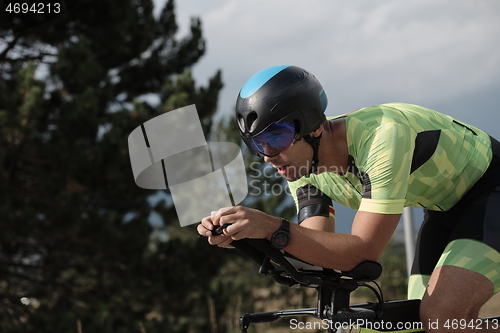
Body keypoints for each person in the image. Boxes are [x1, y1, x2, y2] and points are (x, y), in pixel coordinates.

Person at [197, 65, 500, 332]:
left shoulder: (382, 138)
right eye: (257, 144)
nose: (267, 156)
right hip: (442, 211)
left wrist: (272, 226)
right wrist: (250, 239)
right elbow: (314, 249)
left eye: (276, 137)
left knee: (442, 319)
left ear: (314, 127)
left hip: (492, 188)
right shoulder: (300, 165)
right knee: (413, 324)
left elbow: (364, 252)